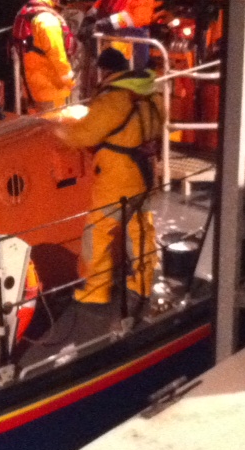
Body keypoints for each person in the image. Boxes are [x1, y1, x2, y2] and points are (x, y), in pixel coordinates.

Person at [58, 48, 165, 305]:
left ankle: (97, 289)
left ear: (105, 70)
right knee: (141, 228)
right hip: (146, 170)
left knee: (98, 231)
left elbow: (83, 136)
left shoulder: (113, 100)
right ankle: (143, 282)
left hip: (117, 173)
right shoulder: (152, 94)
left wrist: (59, 130)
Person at [9, 0, 76, 113]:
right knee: (54, 128)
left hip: (29, 85)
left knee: (35, 127)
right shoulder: (47, 20)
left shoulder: (26, 12)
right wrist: (71, 81)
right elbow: (57, 55)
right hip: (50, 88)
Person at [86, 0, 156, 68]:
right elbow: (102, 4)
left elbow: (138, 17)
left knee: (132, 80)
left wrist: (109, 22)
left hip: (135, 47)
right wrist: (90, 16)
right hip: (117, 46)